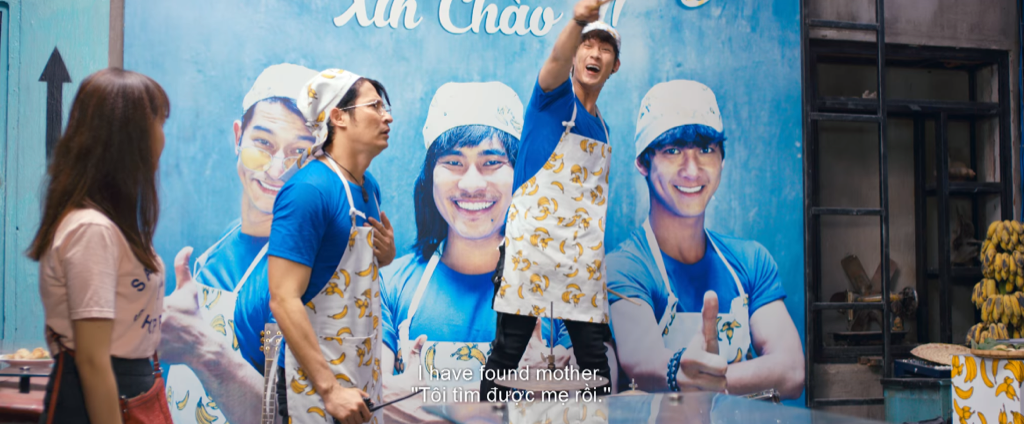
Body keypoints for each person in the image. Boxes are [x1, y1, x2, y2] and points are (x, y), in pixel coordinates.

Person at [379, 82, 572, 421]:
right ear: (430, 175)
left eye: (492, 162)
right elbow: (371, 400)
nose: (471, 184)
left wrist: (422, 400)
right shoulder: (390, 285)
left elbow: (602, 395)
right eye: (453, 162)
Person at [606, 80, 805, 398]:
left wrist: (711, 381)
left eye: (706, 149)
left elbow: (792, 371)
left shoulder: (751, 262)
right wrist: (683, 372)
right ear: (643, 163)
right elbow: (642, 362)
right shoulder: (625, 267)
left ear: (722, 160)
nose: (692, 170)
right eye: (672, 151)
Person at [161, 63, 318, 424]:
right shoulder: (213, 253)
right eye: (263, 143)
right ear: (237, 137)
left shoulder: (310, 274)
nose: (277, 169)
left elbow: (289, 417)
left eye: (299, 152)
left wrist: (201, 348)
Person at [482, 0, 621, 398]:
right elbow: (555, 59)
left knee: (594, 362)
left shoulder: (604, 128)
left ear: (615, 66)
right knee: (507, 353)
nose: (595, 54)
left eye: (605, 49)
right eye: (587, 45)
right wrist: (579, 20)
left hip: (580, 258)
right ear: (575, 54)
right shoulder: (552, 99)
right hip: (531, 252)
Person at [29, 68, 173, 423]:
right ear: (130, 137)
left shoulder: (112, 225)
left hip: (130, 388)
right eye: (158, 122)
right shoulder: (91, 230)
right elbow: (93, 360)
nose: (162, 137)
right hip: (98, 398)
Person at [268, 69, 396, 424]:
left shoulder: (369, 188)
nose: (387, 117)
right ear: (338, 117)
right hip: (315, 384)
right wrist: (330, 390)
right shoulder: (308, 191)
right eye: (374, 106)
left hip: (361, 372)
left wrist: (385, 255)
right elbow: (282, 298)